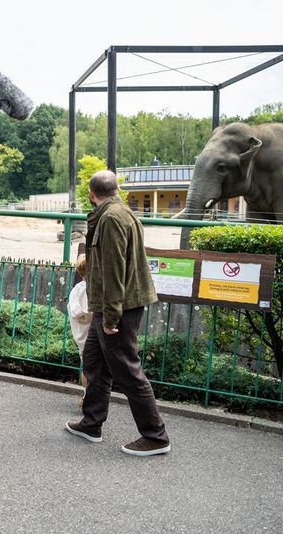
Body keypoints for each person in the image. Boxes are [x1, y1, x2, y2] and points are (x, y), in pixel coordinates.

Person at [65, 170, 171, 456]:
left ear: (91, 193)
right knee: (95, 364)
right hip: (113, 303)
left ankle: (156, 436)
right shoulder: (120, 212)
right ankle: (91, 423)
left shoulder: (111, 219)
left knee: (127, 370)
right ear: (116, 190)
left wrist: (111, 317)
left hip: (118, 305)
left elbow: (112, 270)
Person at [68, 255, 92, 404]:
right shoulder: (96, 290)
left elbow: (74, 311)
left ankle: (86, 394)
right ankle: (90, 395)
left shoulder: (77, 289)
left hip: (80, 335)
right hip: (93, 332)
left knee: (86, 365)